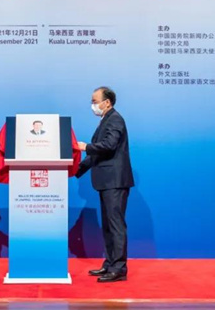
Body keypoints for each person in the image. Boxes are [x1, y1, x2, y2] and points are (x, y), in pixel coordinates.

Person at [76, 86, 134, 282]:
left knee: (116, 225)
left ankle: (119, 268)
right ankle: (109, 263)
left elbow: (109, 146)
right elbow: (97, 155)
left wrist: (86, 147)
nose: (92, 105)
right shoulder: (105, 120)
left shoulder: (115, 119)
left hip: (115, 181)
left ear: (107, 102)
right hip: (106, 181)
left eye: (95, 101)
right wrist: (76, 170)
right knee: (108, 225)